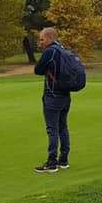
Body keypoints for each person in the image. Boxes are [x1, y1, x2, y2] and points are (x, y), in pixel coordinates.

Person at [33, 27, 71, 173]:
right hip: (65, 95)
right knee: (63, 127)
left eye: (42, 39)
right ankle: (64, 160)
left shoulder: (50, 51)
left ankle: (52, 162)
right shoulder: (63, 49)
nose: (40, 42)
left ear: (49, 38)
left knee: (52, 129)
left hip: (52, 95)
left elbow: (38, 70)